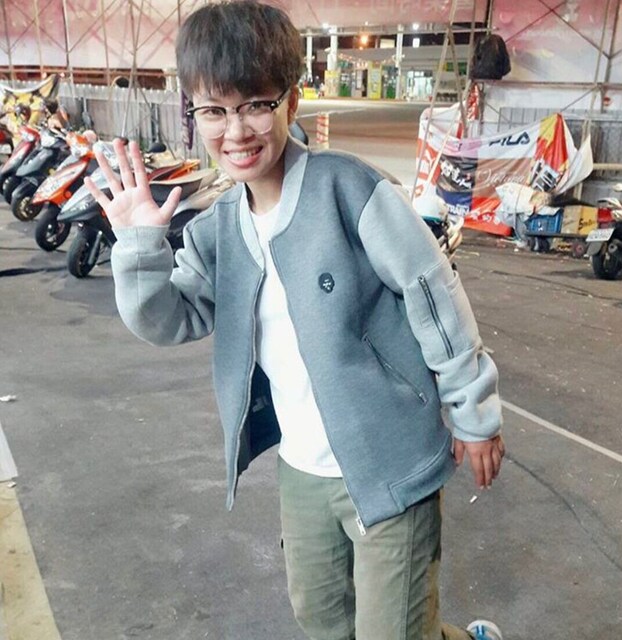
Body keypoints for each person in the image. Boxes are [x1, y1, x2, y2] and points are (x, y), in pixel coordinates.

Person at [85, 2, 506, 639]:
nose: (236, 131)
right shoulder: (220, 229)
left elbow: (433, 294)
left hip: (391, 459)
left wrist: (475, 414)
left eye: (256, 104)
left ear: (292, 101)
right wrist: (140, 247)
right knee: (323, 622)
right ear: (194, 114)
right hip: (303, 471)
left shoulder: (350, 191)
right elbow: (171, 319)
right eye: (214, 110)